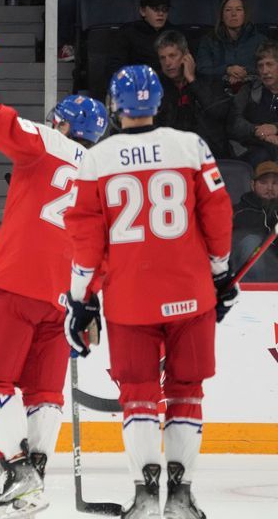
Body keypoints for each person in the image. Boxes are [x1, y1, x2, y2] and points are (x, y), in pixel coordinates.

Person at [65, 64, 236, 519]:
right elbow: (217, 216)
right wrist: (220, 273)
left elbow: (86, 240)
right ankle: (179, 498)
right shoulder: (190, 146)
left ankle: (144, 495)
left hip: (129, 298)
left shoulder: (96, 159)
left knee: (138, 395)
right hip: (191, 293)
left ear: (115, 106)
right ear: (158, 101)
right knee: (187, 392)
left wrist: (82, 298)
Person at [0, 32, 108, 515]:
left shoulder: (47, 141)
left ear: (63, 123)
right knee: (44, 392)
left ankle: (19, 470)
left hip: (18, 282)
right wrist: (92, 302)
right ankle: (35, 478)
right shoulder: (105, 176)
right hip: (66, 298)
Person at [154, 31, 234, 159]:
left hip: (208, 153)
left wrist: (192, 80)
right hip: (170, 153)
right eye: (162, 58)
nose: (167, 63)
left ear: (186, 56)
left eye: (172, 56)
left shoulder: (209, 81)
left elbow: (219, 112)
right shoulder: (157, 88)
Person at [196, 0, 267, 91]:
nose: (233, 14)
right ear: (221, 16)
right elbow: (202, 69)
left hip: (253, 92)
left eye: (238, 9)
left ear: (245, 14)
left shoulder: (260, 40)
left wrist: (246, 72)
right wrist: (227, 70)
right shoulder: (208, 41)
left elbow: (270, 68)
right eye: (228, 10)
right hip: (217, 92)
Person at [229, 40, 278, 167]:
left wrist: (275, 128)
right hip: (249, 148)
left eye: (269, 64)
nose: (265, 71)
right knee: (262, 155)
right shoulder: (249, 89)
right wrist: (257, 131)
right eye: (260, 66)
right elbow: (233, 121)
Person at [232, 160, 278, 281]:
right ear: (253, 185)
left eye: (275, 183)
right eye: (263, 182)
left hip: (274, 265)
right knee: (252, 241)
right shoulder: (239, 211)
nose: (269, 188)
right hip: (246, 267)